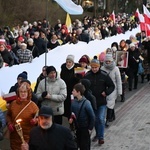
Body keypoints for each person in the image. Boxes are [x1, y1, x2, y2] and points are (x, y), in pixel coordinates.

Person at [84, 56, 115, 145]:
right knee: (94, 120)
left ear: (99, 67)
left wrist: (106, 92)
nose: (94, 69)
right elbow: (83, 87)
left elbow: (112, 86)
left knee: (100, 119)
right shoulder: (87, 75)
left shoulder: (104, 75)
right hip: (90, 102)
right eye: (92, 67)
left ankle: (101, 137)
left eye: (96, 67)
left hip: (101, 101)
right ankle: (97, 134)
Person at [6, 82, 39, 150]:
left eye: (25, 92)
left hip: (27, 138)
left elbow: (39, 118)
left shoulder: (33, 106)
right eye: (21, 92)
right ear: (18, 93)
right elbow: (8, 115)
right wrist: (9, 123)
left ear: (28, 93)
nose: (23, 93)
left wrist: (35, 121)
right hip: (14, 137)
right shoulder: (13, 104)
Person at [69, 83, 95, 150]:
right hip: (77, 128)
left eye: (74, 91)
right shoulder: (73, 102)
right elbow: (72, 113)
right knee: (78, 145)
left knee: (85, 146)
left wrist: (90, 128)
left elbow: (92, 116)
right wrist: (71, 118)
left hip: (85, 128)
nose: (72, 92)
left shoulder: (86, 103)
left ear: (78, 92)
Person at [101, 53, 122, 127]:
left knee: (110, 103)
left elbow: (118, 80)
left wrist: (120, 91)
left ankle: (107, 119)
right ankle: (112, 115)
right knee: (107, 103)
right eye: (106, 61)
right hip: (104, 88)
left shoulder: (116, 69)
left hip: (113, 88)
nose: (107, 63)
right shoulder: (102, 68)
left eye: (109, 61)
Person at [60, 54, 80, 119]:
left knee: (73, 106)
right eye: (67, 62)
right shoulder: (63, 67)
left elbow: (80, 80)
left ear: (73, 62)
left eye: (70, 62)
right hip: (65, 89)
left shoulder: (78, 68)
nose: (68, 64)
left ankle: (73, 119)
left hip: (73, 90)